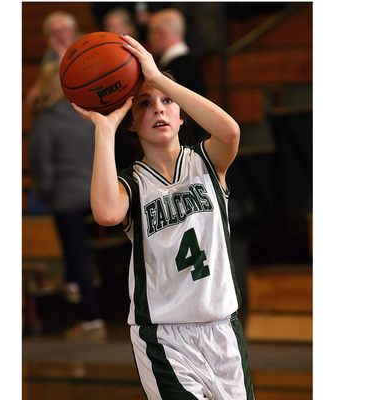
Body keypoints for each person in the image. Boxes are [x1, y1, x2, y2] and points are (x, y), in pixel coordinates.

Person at [72, 34, 254, 399]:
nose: (158, 109)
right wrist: (104, 130)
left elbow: (230, 130)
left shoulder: (206, 161)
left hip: (222, 328)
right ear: (130, 121)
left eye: (167, 102)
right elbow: (106, 213)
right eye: (144, 104)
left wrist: (156, 78)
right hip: (164, 336)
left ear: (182, 115)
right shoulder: (132, 184)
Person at [29, 61, 107, 341]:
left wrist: (47, 194)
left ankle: (91, 318)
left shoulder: (46, 121)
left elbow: (42, 167)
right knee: (95, 258)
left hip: (66, 199)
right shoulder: (88, 116)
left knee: (78, 260)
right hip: (98, 195)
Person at [146, 8, 207, 144]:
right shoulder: (189, 64)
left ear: (162, 33)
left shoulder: (178, 68)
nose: (148, 37)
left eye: (150, 31)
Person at [25, 11, 81, 110]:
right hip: (59, 106)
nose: (60, 35)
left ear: (73, 30)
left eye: (63, 29)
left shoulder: (86, 45)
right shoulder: (51, 54)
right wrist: (60, 55)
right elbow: (35, 93)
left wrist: (62, 55)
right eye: (55, 32)